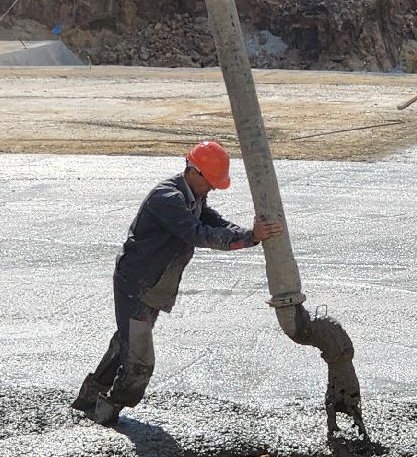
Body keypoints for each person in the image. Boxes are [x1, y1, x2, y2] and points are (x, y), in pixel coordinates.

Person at [73, 140, 281, 424]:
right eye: (210, 182)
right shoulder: (168, 198)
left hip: (156, 284)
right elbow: (198, 233)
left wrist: (250, 233)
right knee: (139, 362)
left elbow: (215, 222)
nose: (211, 189)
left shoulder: (194, 196)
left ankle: (88, 398)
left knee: (126, 345)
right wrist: (249, 238)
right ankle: (105, 414)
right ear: (193, 171)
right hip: (136, 285)